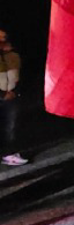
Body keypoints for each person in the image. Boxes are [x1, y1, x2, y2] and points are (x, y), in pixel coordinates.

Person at [0, 28, 28, 166]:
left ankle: (8, 153)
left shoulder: (12, 54)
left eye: (4, 36)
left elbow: (17, 74)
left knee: (10, 126)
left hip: (10, 95)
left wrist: (15, 91)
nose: (3, 39)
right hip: (3, 95)